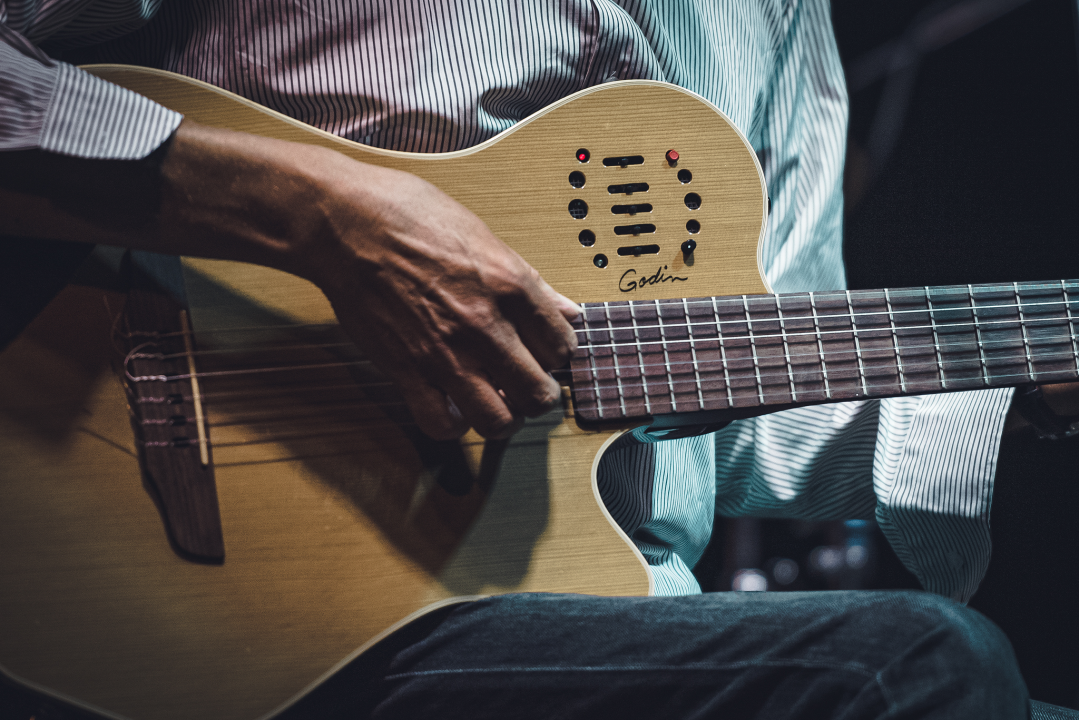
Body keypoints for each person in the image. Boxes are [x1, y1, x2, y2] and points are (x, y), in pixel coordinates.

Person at [0, 2, 1073, 718]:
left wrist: (1019, 388)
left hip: (606, 607)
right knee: (918, 673)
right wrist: (316, 217)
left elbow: (727, 393)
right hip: (227, 586)